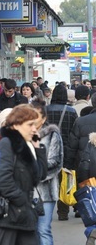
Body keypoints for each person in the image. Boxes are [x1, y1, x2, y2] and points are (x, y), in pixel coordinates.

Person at [0, 104, 47, 245]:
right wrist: (21, 200)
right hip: (7, 218)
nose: (34, 129)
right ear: (16, 125)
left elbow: (41, 175)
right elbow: (2, 178)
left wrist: (38, 148)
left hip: (24, 216)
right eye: (30, 124)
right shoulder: (7, 143)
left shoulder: (27, 145)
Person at [31, 98, 63, 245]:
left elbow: (56, 162)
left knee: (43, 229)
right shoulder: (24, 133)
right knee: (30, 232)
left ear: (43, 118)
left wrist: (36, 171)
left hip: (46, 192)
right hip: (26, 191)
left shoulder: (52, 134)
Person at [46, 84, 78, 221]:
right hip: (65, 150)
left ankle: (46, 210)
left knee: (48, 180)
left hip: (48, 150)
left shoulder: (44, 110)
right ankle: (63, 212)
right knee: (64, 180)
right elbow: (74, 133)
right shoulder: (71, 111)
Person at [77, 132, 96, 245]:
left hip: (93, 183)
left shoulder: (92, 143)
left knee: (94, 211)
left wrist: (83, 182)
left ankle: (92, 231)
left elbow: (84, 164)